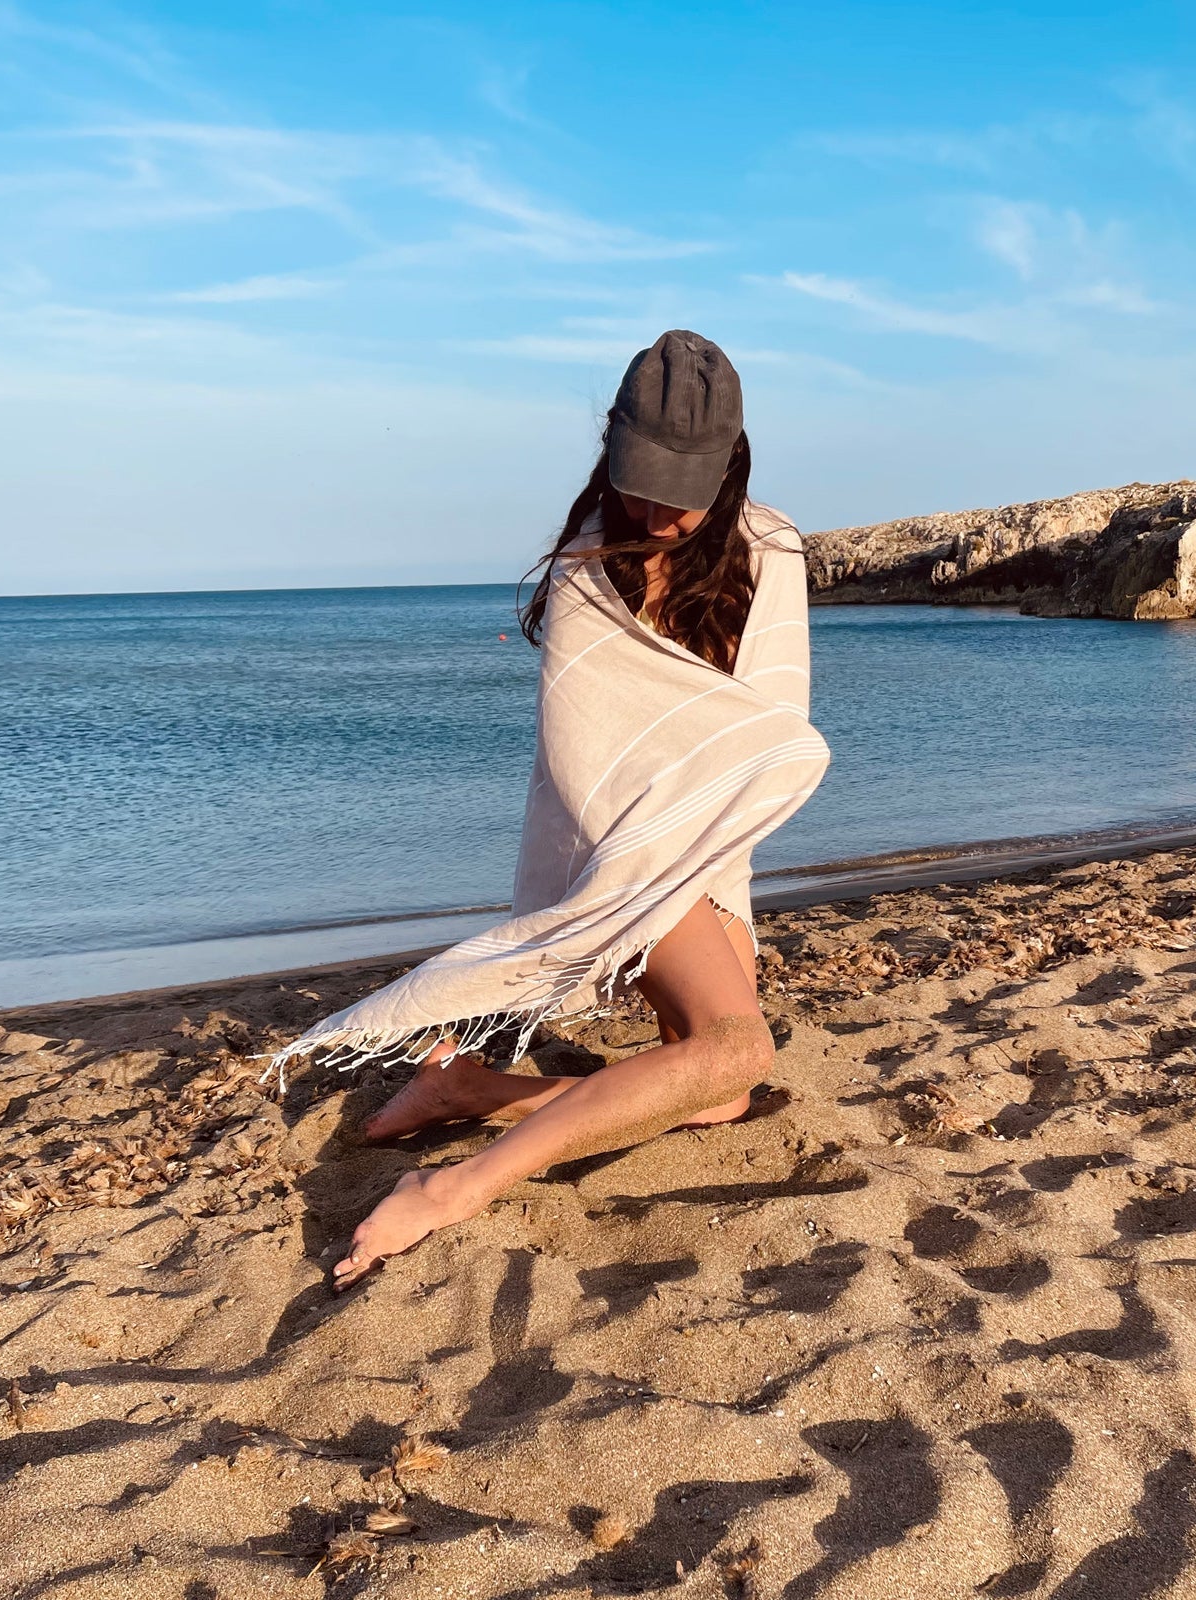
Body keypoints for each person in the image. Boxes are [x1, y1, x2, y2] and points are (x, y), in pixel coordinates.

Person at [267, 330, 830, 1288]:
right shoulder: (586, 566)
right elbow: (587, 761)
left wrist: (698, 861)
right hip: (607, 845)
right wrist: (646, 882)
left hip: (700, 839)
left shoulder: (772, 549)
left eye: (682, 488)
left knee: (723, 1090)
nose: (657, 512)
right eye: (641, 480)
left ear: (730, 465)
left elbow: (763, 728)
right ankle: (452, 1188)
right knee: (738, 1045)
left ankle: (472, 1086)